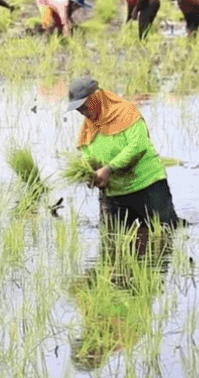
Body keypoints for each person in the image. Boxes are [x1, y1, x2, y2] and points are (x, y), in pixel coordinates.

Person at [66, 77, 180, 251]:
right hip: (114, 195)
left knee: (161, 241)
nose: (82, 112)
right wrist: (91, 174)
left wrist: (109, 168)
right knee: (112, 246)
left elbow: (138, 146)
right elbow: (88, 157)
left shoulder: (126, 112)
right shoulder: (88, 128)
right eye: (78, 109)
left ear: (97, 97)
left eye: (84, 106)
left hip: (148, 187)